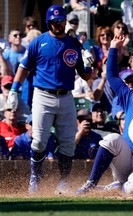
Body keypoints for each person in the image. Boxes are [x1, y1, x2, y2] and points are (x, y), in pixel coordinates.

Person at [6, 4, 93, 194]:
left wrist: (88, 66)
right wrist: (14, 90)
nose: (57, 24)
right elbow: (24, 67)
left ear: (65, 21)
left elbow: (85, 76)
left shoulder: (73, 43)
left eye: (60, 20)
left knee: (69, 142)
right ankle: (35, 178)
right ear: (48, 22)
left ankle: (63, 182)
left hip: (66, 97)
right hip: (42, 95)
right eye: (54, 21)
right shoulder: (38, 42)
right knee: (39, 141)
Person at [76, 35, 133, 196]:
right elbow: (112, 77)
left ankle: (114, 187)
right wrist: (113, 48)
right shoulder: (132, 97)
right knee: (112, 139)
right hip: (125, 154)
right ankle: (91, 183)